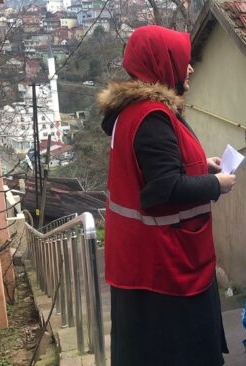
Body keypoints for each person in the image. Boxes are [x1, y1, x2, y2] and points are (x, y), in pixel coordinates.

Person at [98, 25, 236, 365]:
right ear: (164, 62)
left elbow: (149, 168)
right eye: (184, 60)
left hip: (143, 258)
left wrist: (199, 164)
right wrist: (216, 185)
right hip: (164, 265)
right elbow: (163, 190)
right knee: (178, 352)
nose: (189, 68)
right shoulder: (152, 117)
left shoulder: (133, 112)